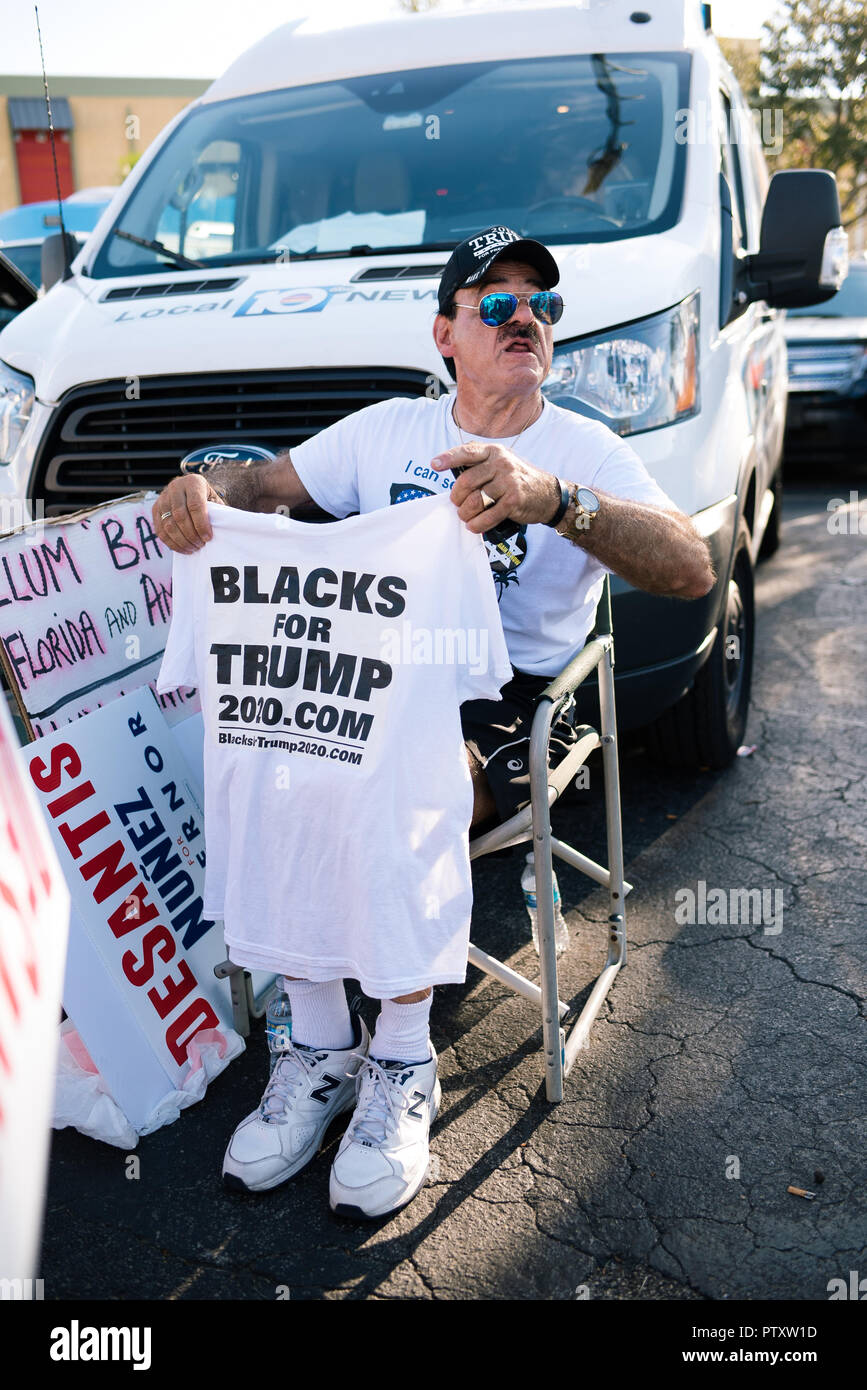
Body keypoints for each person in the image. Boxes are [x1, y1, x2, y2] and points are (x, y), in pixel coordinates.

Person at [153, 225, 714, 1219]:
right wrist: (204, 489)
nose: (526, 319)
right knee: (265, 747)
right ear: (444, 333)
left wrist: (556, 502)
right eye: (495, 304)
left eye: (542, 304)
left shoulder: (581, 445)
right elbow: (260, 484)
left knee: (397, 773)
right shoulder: (385, 432)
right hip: (369, 681)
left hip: (509, 697)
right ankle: (323, 1041)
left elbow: (688, 566)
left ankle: (403, 1060)